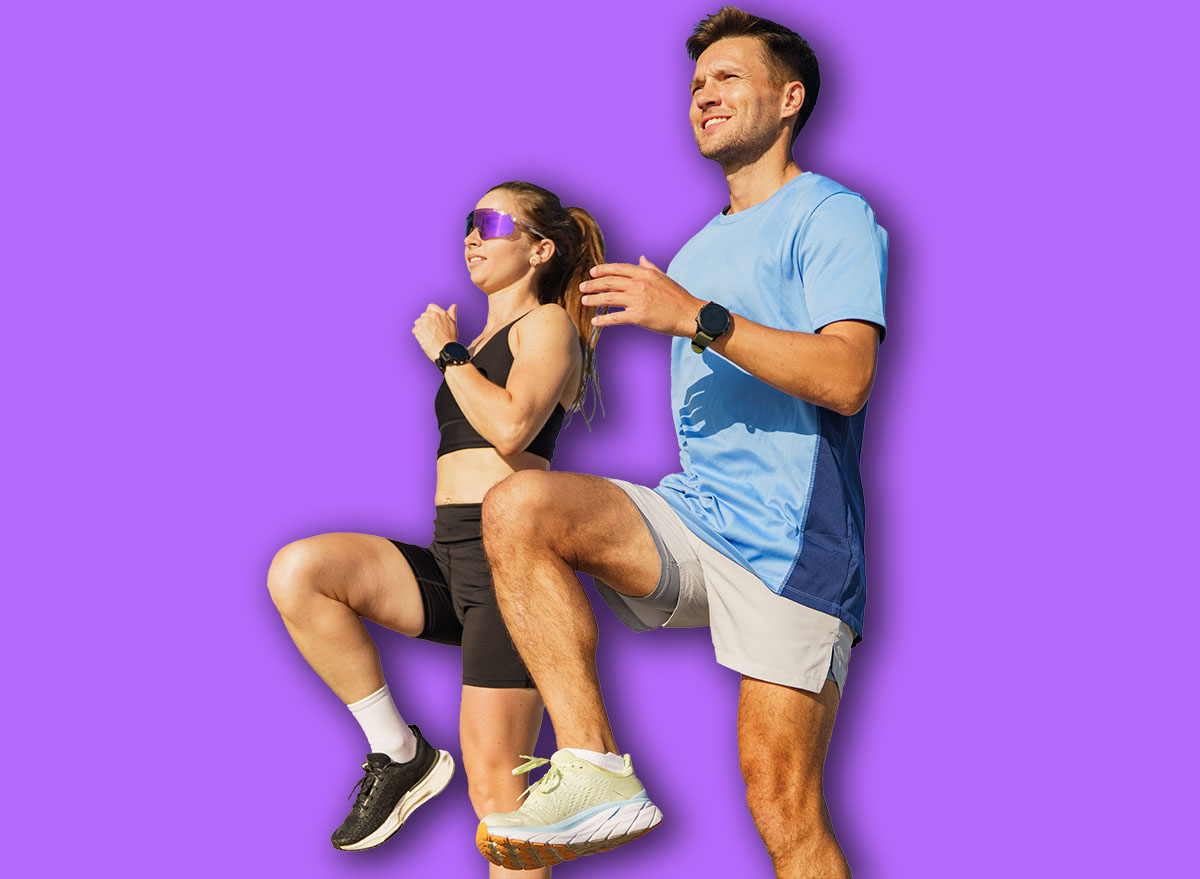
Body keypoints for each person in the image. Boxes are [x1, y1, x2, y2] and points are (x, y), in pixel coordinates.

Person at [476, 8, 887, 878]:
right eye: (696, 83)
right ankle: (593, 765)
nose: (703, 94)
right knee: (519, 507)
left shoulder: (831, 214)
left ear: (790, 99)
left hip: (793, 543)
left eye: (727, 77)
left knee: (781, 803)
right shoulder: (694, 250)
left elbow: (848, 376)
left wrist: (696, 317)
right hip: (698, 517)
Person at [267, 181, 605, 878]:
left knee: (499, 797)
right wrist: (459, 351)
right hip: (450, 555)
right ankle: (400, 753)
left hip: (512, 573)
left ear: (540, 250)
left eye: (493, 223)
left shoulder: (546, 326)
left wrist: (448, 355)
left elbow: (512, 426)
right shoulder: (478, 339)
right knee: (301, 572)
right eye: (469, 222)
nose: (473, 236)